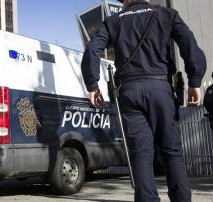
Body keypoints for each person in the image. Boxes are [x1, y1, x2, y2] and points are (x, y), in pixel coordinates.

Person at [81, 0, 206, 201]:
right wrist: (195, 81)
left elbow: (92, 49)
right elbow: (189, 44)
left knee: (140, 153)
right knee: (171, 150)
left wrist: (92, 85)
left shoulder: (113, 20)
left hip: (129, 93)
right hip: (160, 89)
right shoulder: (166, 14)